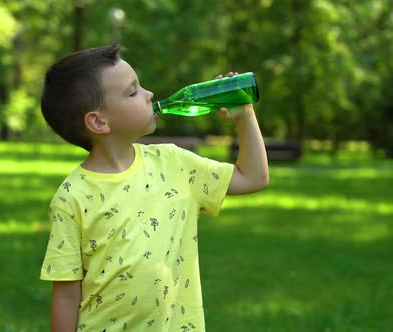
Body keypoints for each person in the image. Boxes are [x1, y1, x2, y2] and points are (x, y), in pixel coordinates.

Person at [39, 43, 269, 332]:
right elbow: (66, 293)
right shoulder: (71, 197)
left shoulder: (175, 164)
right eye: (133, 91)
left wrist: (244, 115)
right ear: (99, 122)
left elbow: (253, 177)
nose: (149, 95)